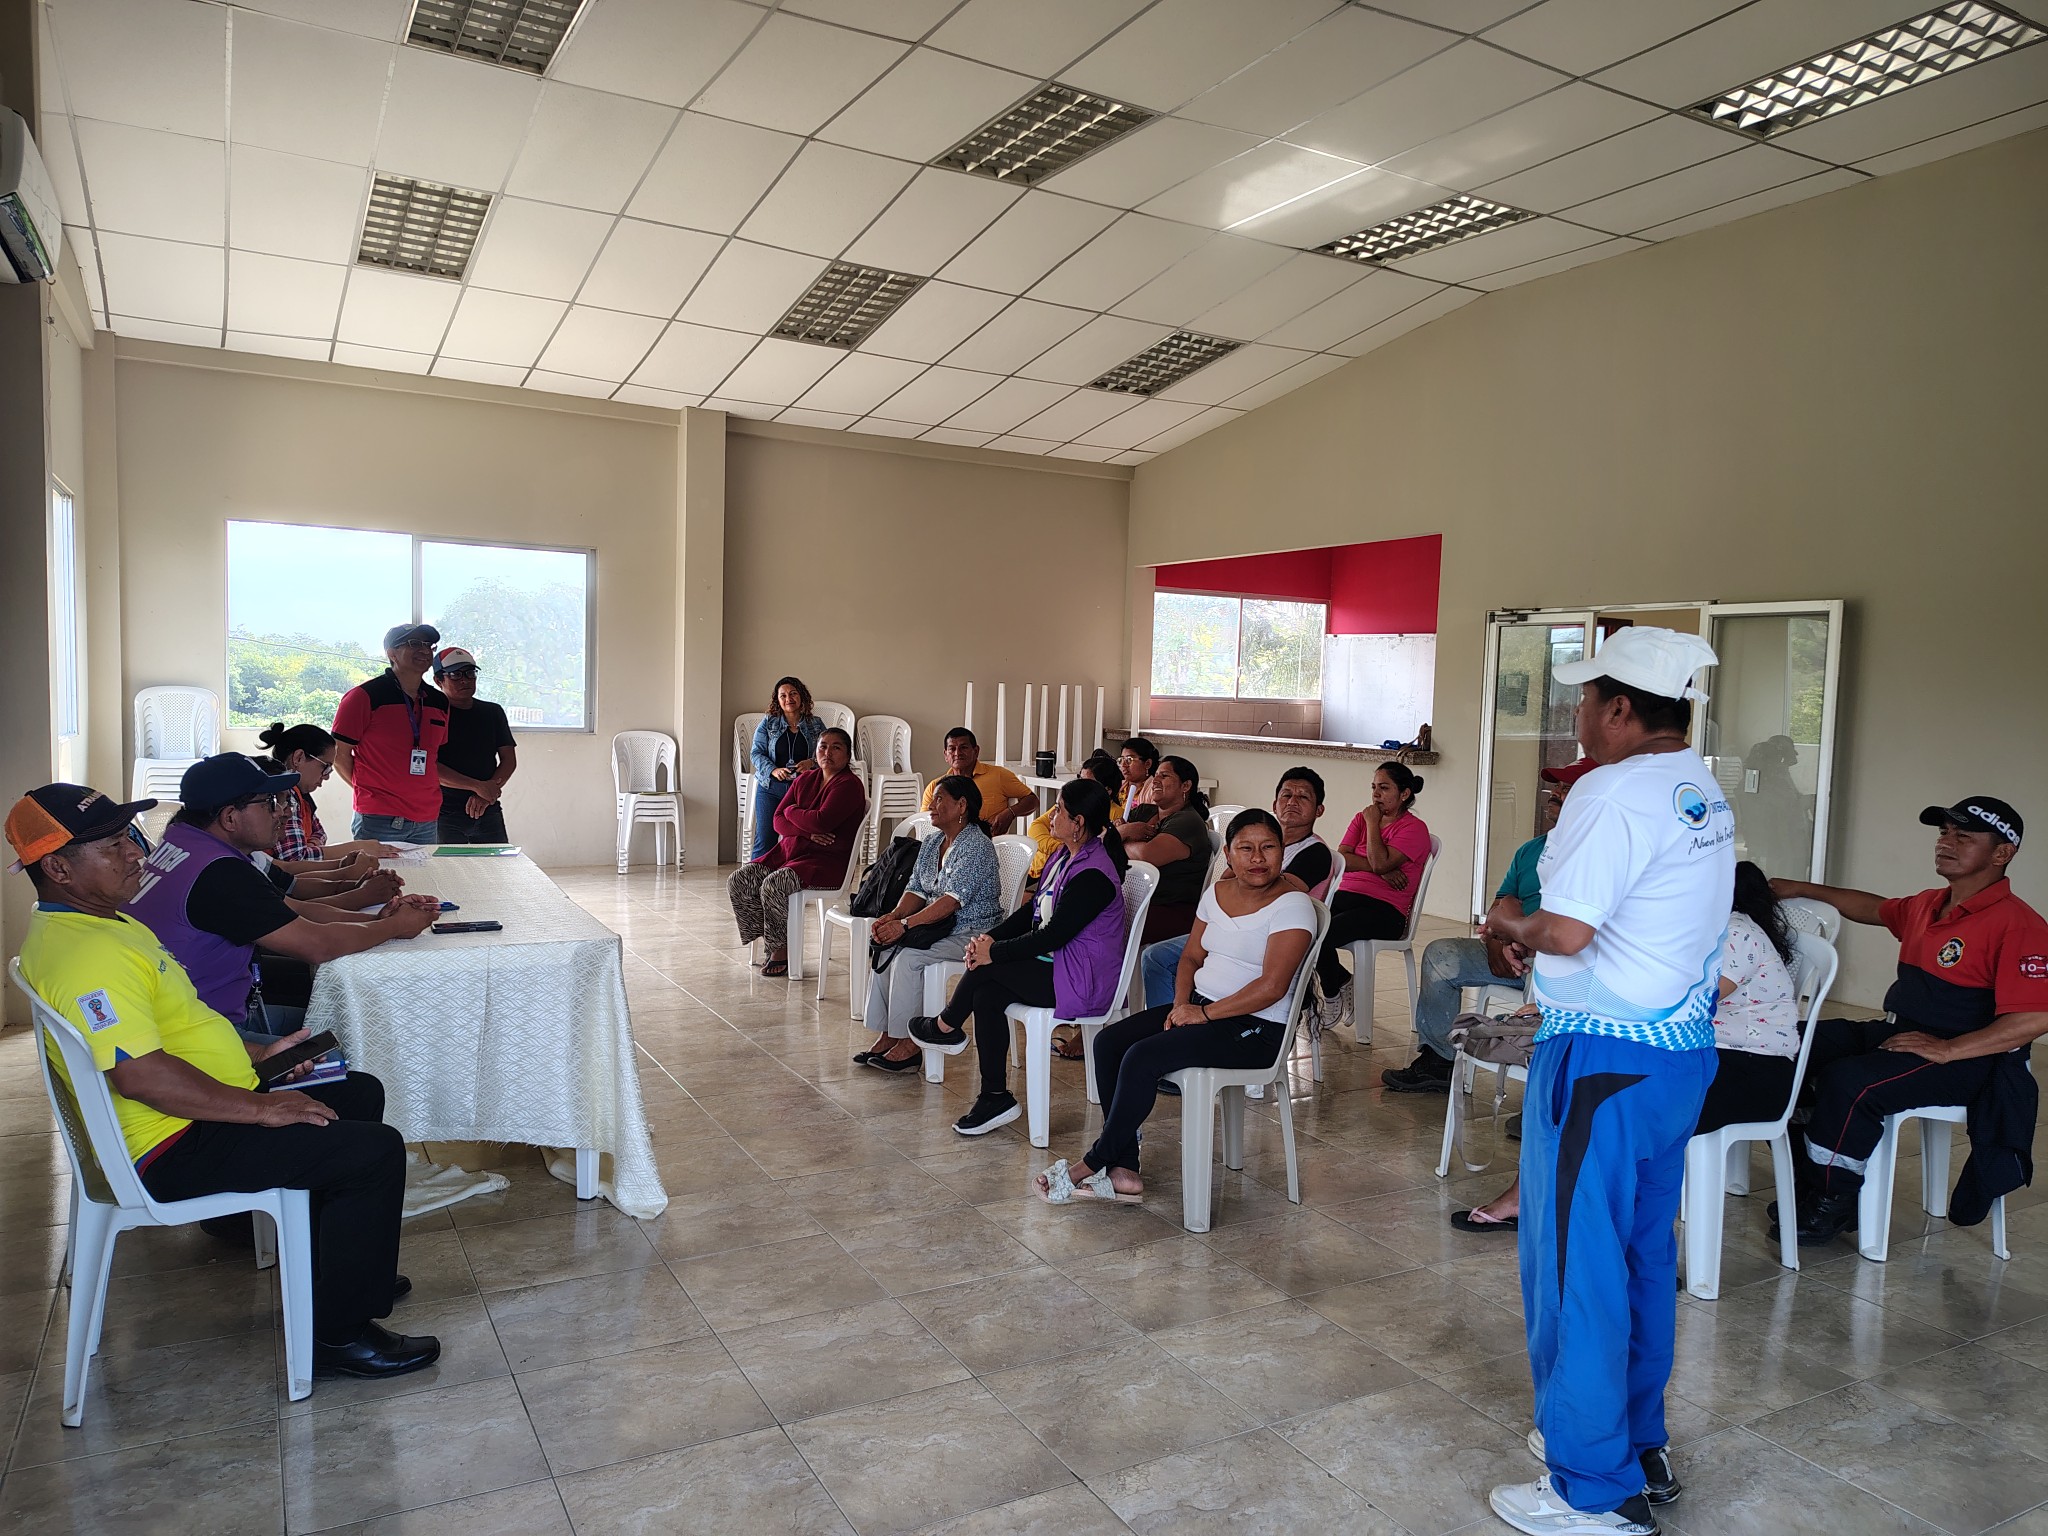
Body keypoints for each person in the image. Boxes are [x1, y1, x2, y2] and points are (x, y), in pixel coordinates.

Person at [8, 783, 439, 1379]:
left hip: (192, 1112)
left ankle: (338, 1268)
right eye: (112, 846)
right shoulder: (89, 959)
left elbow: (178, 1032)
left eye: (130, 837)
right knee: (372, 1152)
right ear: (58, 868)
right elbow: (142, 1077)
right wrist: (262, 1107)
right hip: (171, 1143)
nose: (135, 853)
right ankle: (340, 1336)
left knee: (357, 1092)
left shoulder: (104, 924)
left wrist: (262, 1053)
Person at [1478, 626, 1732, 1535]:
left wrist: (1509, 921)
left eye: (1584, 699)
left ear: (1619, 708)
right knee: (1638, 1258)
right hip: (1677, 1058)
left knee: (1574, 1268)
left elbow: (1567, 930)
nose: (1577, 714)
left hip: (1602, 1062)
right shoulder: (1698, 787)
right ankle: (1634, 1440)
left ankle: (1593, 1488)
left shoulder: (1612, 789)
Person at [1454, 860, 1801, 1236]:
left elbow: (1688, 1003)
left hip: (1751, 1072)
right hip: (1704, 1058)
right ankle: (1545, 1201)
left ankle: (1593, 1221)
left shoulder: (1735, 932)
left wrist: (1587, 1005)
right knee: (1577, 1080)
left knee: (1604, 1101)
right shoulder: (1697, 930)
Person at [1770, 796, 2047, 1246]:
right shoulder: (1930, 904)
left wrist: (1950, 1049)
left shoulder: (2019, 925)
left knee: (1850, 1081)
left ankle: (1833, 1199)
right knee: (1785, 1045)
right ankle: (1807, 1178)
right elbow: (1873, 908)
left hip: (1969, 1056)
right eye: (1944, 832)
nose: (1946, 843)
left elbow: (2035, 1016)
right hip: (1901, 1031)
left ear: (2002, 853)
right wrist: (1800, 887)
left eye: (1964, 836)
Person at [1034, 808, 1317, 1204]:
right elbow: (1190, 957)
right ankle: (1124, 1169)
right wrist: (1181, 1004)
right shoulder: (1217, 894)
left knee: (1142, 1057)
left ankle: (1094, 1161)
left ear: (1282, 851)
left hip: (1254, 1027)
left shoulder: (1293, 905)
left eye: (1268, 847)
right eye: (1245, 849)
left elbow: (1272, 987)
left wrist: (1202, 1014)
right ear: (1228, 855)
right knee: (1109, 1043)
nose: (1257, 858)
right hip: (1201, 1007)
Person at [125, 755, 441, 1039]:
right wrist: (395, 927)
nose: (280, 813)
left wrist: (374, 919)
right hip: (200, 1033)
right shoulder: (217, 871)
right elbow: (317, 945)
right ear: (230, 818)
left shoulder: (184, 843)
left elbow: (292, 911)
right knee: (365, 1039)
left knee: (349, 1020)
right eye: (268, 803)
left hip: (185, 1014)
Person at [910, 777, 1127, 1136]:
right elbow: (1030, 913)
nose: (1051, 816)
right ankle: (994, 1096)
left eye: (1059, 811)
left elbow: (1054, 935)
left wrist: (993, 952)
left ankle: (946, 1026)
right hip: (1057, 965)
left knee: (988, 970)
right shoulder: (1064, 855)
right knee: (986, 993)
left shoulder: (1094, 875)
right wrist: (990, 938)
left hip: (1081, 980)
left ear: (1078, 823)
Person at [1383, 760, 1596, 1094]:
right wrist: (1500, 944)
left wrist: (1521, 936)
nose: (1555, 794)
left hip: (1566, 964)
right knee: (1441, 955)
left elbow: (1573, 929)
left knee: (1549, 965)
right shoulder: (1532, 850)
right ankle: (1438, 1062)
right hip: (1518, 950)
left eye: (1567, 788)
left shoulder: (1598, 854)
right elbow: (1499, 907)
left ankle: (1545, 1087)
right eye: (1556, 786)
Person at [1142, 765, 1334, 1009]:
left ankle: (1190, 1015)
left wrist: (1241, 876)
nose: (1292, 802)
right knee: (1157, 956)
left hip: (1267, 937)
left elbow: (1272, 892)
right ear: (1274, 805)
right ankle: (1173, 1015)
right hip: (1235, 925)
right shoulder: (1258, 842)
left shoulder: (1315, 853)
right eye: (1286, 795)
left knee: (1164, 957)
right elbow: (1225, 883)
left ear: (1319, 810)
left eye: (1303, 797)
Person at [855, 775, 1003, 1073]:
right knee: (887, 948)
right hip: (937, 927)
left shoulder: (976, 846)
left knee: (909, 958)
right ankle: (889, 1033)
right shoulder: (934, 841)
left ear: (962, 806)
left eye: (940, 799)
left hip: (971, 931)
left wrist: (905, 925)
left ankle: (910, 1045)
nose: (931, 805)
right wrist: (894, 917)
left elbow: (951, 902)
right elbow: (916, 890)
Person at [728, 727, 866, 977]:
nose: (828, 752)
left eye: (836, 747)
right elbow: (777, 821)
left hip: (825, 862)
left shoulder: (849, 785)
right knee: (740, 879)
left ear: (848, 755)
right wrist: (806, 832)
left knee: (774, 884)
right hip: (789, 853)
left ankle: (780, 950)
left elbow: (821, 822)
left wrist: (792, 812)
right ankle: (772, 939)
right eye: (823, 746)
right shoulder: (806, 779)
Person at [1313, 763, 1430, 1031]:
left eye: (1384, 788)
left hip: (1386, 911)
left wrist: (1372, 826)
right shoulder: (1361, 818)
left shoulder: (1413, 828)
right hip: (1348, 894)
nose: (1376, 794)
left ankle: (1331, 993)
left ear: (1404, 794)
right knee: (1306, 925)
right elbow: (1342, 858)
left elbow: (1379, 862)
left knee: (1323, 935)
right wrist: (1382, 870)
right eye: (1374, 787)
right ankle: (1343, 981)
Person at [331, 623, 452, 845]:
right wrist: (371, 792)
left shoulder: (439, 701)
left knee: (424, 870)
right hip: (378, 818)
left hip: (427, 818)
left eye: (428, 645)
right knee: (376, 870)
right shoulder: (364, 696)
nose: (424, 650)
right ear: (391, 654)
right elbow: (339, 755)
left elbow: (433, 758)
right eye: (414, 643)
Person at [256, 722, 391, 868]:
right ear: (299, 758)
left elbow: (320, 833)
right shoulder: (285, 795)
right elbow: (295, 859)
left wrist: (311, 846)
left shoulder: (302, 795)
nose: (326, 776)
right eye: (325, 767)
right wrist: (357, 847)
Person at [1119, 755, 1212, 944]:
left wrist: (1122, 835)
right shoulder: (1144, 812)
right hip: (1135, 899)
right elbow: (1102, 841)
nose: (1155, 781)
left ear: (1185, 786)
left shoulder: (1188, 821)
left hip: (1170, 908)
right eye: (1155, 775)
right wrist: (1121, 833)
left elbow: (1147, 856)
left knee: (1103, 922)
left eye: (1164, 776)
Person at [432, 647, 517, 845]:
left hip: (488, 808)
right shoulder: (432, 714)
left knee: (496, 863)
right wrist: (477, 787)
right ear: (438, 680)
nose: (465, 680)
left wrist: (486, 795)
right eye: (455, 675)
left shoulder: (492, 712)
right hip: (444, 813)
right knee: (448, 865)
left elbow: (509, 760)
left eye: (470, 673)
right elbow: (429, 765)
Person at [749, 677, 823, 861]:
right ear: (777, 700)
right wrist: (773, 770)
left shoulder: (816, 724)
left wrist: (811, 762)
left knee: (800, 838)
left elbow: (826, 753)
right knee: (765, 839)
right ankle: (754, 876)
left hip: (803, 789)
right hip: (771, 787)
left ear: (802, 696)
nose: (788, 699)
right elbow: (756, 753)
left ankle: (791, 875)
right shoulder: (769, 723)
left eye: (793, 694)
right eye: (783, 695)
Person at [1023, 752, 1120, 885]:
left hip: (1062, 873)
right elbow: (1036, 826)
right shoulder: (1068, 805)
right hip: (1042, 869)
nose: (1052, 816)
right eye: (1079, 778)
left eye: (1086, 783)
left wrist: (1064, 851)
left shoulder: (1113, 814)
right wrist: (1058, 848)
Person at [921, 727, 1036, 836]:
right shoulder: (935, 787)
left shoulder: (998, 775)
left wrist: (1010, 813)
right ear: (946, 755)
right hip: (947, 844)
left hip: (989, 842)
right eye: (952, 749)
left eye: (963, 747)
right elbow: (924, 824)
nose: (957, 753)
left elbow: (1032, 800)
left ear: (976, 751)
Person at [1111, 736, 1160, 821]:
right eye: (1121, 759)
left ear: (1147, 764)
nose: (1123, 765)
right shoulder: (1118, 785)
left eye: (1129, 759)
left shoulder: (1155, 790)